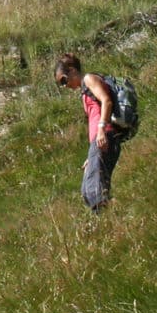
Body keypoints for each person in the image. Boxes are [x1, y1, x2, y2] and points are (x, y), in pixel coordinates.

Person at [53, 52, 125, 210]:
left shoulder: (89, 79)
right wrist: (90, 157)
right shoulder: (84, 92)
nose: (65, 86)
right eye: (61, 84)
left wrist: (101, 131)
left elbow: (106, 101)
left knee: (94, 191)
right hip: (98, 140)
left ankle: (118, 211)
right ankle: (112, 214)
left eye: (64, 80)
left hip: (104, 135)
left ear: (72, 70)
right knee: (87, 190)